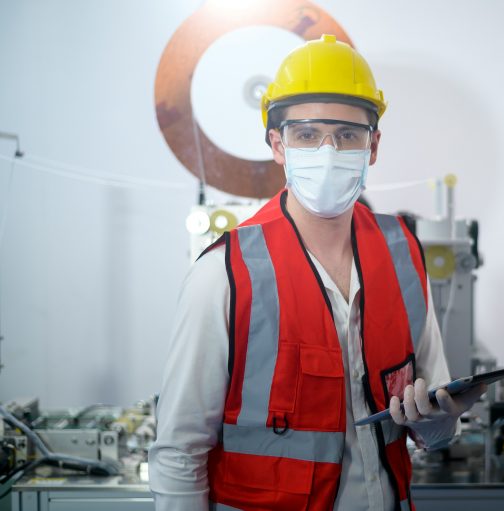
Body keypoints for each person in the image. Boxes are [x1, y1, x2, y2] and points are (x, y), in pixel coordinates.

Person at [148, 34, 486, 511]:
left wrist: (434, 420)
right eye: (307, 134)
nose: (328, 151)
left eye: (348, 135)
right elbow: (180, 452)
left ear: (373, 147)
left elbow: (436, 422)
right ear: (277, 144)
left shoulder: (404, 255)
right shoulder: (224, 274)